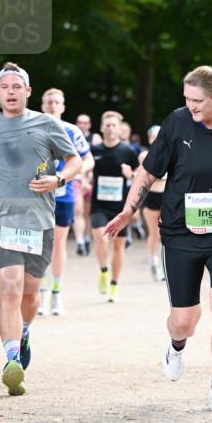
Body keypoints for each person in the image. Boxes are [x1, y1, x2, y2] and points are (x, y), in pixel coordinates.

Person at [104, 64, 212, 412]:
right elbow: (148, 171)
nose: (191, 105)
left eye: (197, 100)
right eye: (187, 99)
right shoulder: (177, 122)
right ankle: (176, 345)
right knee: (184, 319)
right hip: (181, 232)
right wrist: (128, 210)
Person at [0, 63, 81, 396]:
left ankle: (24, 331)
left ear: (27, 91)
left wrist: (59, 179)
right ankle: (12, 360)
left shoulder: (47, 123)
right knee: (9, 287)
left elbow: (74, 160)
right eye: (5, 87)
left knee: (30, 295)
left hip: (38, 221)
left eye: (17, 86)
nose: (11, 92)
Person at [38, 89, 94, 315]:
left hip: (64, 194)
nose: (52, 105)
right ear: (42, 105)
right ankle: (40, 294)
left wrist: (75, 173)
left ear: (63, 107)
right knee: (40, 245)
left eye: (57, 102)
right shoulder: (31, 128)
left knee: (58, 243)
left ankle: (56, 293)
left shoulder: (72, 131)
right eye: (49, 102)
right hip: (37, 195)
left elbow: (87, 159)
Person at [90, 111, 139, 301]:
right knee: (101, 238)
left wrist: (131, 175)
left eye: (113, 125)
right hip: (98, 204)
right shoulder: (94, 150)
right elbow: (84, 168)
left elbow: (139, 177)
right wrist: (85, 179)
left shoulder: (128, 152)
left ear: (120, 129)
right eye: (107, 125)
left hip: (120, 207)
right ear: (102, 128)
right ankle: (103, 269)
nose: (110, 128)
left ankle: (114, 284)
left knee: (119, 247)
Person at [138, 124, 166, 281]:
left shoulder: (172, 153)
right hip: (151, 197)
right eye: (154, 137)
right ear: (149, 139)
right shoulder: (144, 155)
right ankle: (153, 262)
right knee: (154, 233)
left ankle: (164, 263)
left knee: (166, 233)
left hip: (166, 196)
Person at [73, 113, 101, 255]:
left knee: (88, 213)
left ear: (89, 124)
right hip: (77, 179)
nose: (82, 124)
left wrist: (89, 180)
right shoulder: (70, 136)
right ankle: (80, 242)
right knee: (78, 210)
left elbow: (96, 161)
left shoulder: (95, 139)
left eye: (85, 122)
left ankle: (87, 237)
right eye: (80, 122)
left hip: (91, 180)